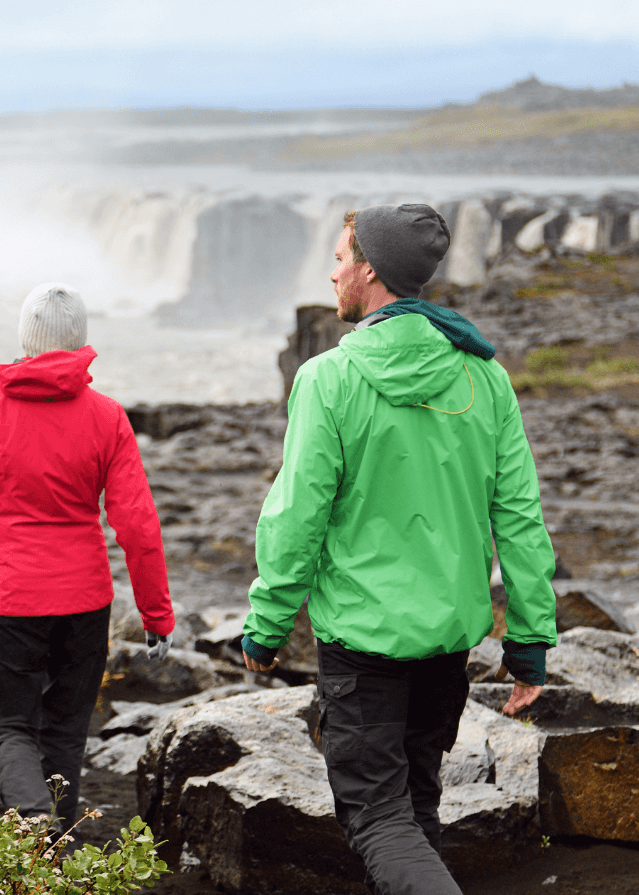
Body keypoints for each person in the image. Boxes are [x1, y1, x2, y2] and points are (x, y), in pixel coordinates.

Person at [239, 204, 557, 895]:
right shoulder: (484, 378)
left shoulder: (328, 379)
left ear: (371, 270)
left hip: (365, 645)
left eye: (340, 258)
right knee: (414, 808)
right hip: (447, 644)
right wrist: (529, 642)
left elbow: (296, 517)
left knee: (379, 821)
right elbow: (521, 519)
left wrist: (266, 623)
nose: (331, 272)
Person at [0, 282, 175, 839]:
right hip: (85, 601)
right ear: (80, 341)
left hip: (12, 598)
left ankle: (31, 821)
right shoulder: (107, 417)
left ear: (25, 340)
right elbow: (137, 527)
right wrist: (157, 616)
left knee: (11, 728)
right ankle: (53, 849)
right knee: (65, 732)